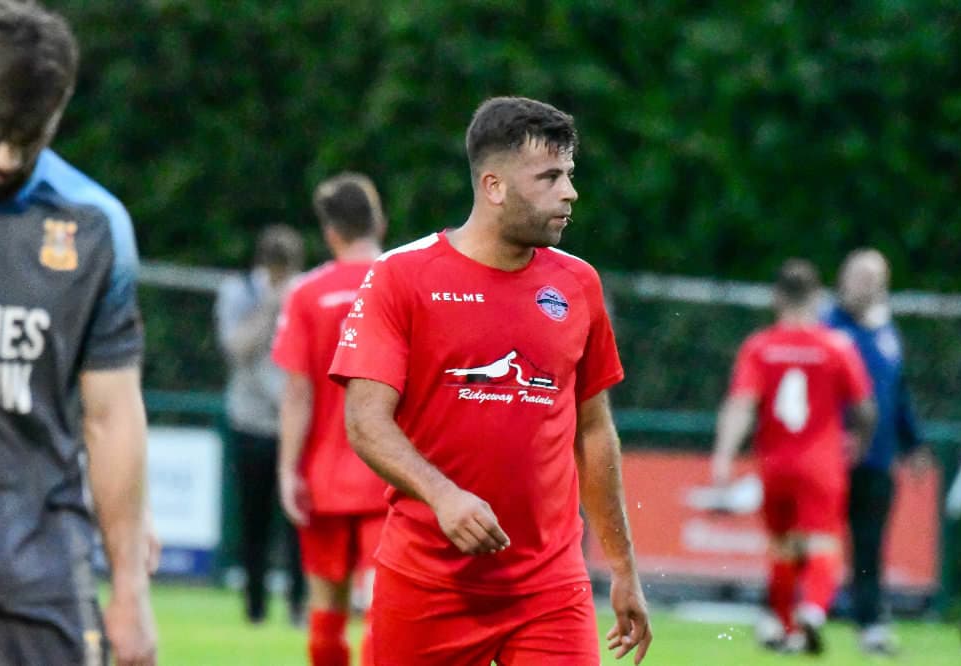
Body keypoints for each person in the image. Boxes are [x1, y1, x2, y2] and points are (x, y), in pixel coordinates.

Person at [329, 96, 652, 665]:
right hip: (428, 583)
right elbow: (365, 420)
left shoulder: (578, 284)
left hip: (551, 589)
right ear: (494, 186)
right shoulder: (402, 276)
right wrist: (443, 496)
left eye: (569, 174)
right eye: (549, 177)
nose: (570, 193)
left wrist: (624, 567)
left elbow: (594, 431)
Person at [0, 1, 156, 664]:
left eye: (27, 140)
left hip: (40, 559)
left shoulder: (96, 226)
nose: (3, 158)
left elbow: (112, 414)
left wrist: (129, 587)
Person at [711, 259, 876, 655]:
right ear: (818, 298)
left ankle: (786, 628)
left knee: (782, 546)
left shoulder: (760, 346)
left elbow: (741, 404)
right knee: (822, 543)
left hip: (774, 463)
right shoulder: (836, 346)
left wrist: (723, 456)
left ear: (776, 298)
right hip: (821, 462)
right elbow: (865, 406)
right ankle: (814, 610)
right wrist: (861, 441)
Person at [271, 172, 389, 665]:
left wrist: (287, 470)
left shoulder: (307, 293)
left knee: (326, 613)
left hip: (324, 476)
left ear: (330, 232)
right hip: (392, 474)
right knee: (385, 613)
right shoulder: (404, 281)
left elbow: (297, 392)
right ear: (379, 223)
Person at [824, 248, 924, 655]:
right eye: (857, 276)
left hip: (877, 458)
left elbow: (898, 394)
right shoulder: (825, 326)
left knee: (869, 544)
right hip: (829, 456)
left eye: (872, 278)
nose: (863, 286)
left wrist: (913, 443)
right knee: (812, 540)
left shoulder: (887, 332)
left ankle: (870, 624)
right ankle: (792, 617)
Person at [215, 224, 306, 625]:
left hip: (295, 425)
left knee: (299, 522)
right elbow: (235, 348)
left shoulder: (306, 293)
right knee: (253, 521)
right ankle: (254, 607)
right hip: (250, 421)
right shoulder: (238, 293)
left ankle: (299, 605)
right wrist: (270, 307)